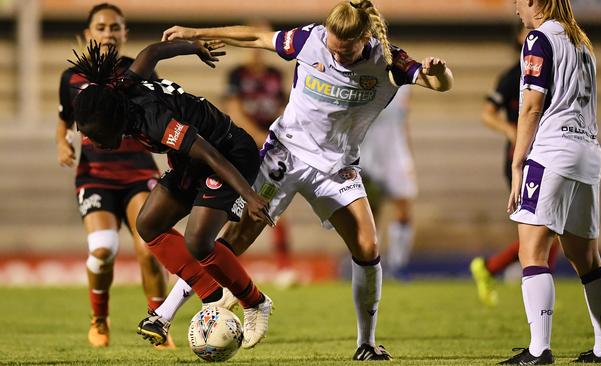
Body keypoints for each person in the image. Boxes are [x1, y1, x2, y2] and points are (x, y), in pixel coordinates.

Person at [161, 0, 453, 360]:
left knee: (368, 246)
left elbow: (439, 83)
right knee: (232, 240)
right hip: (285, 155)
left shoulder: (389, 60)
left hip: (337, 168)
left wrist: (439, 72)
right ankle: (166, 313)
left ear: (365, 38)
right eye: (333, 46)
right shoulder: (310, 39)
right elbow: (255, 36)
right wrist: (195, 31)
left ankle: (366, 343)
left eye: (347, 50)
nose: (338, 55)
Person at [68, 38, 274, 350]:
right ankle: (213, 294)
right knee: (148, 223)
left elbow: (208, 153)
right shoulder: (124, 86)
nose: (95, 143)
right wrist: (194, 46)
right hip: (190, 160)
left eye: (97, 136)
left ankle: (255, 301)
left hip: (228, 153)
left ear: (113, 121)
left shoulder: (152, 120)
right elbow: (150, 52)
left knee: (198, 241)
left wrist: (249, 194)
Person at [499, 0, 601, 364]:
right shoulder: (581, 41)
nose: (515, 6)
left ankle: (539, 350)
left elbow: (532, 106)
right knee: (586, 257)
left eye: (518, 0)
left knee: (531, 251)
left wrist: (519, 162)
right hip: (587, 151)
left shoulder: (538, 38)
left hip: (553, 150)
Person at [55, 3, 172, 348]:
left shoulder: (139, 72)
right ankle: (99, 319)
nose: (108, 33)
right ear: (88, 34)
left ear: (124, 34)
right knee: (103, 248)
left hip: (138, 173)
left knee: (151, 249)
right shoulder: (72, 77)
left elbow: (163, 114)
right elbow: (64, 121)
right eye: (101, 27)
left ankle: (158, 325)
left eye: (114, 28)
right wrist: (62, 142)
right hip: (96, 176)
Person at [469, 26, 559, 307]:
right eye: (527, 31)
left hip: (547, 156)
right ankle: (497, 271)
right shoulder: (512, 77)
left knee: (550, 230)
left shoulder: (552, 72)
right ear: (520, 40)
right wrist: (511, 131)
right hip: (519, 160)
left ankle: (497, 271)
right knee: (544, 230)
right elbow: (487, 113)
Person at [223, 26, 297, 287]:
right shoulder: (237, 75)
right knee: (231, 208)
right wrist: (259, 136)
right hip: (243, 147)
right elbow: (233, 110)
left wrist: (274, 137)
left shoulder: (275, 75)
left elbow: (283, 107)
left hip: (270, 148)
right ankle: (221, 266)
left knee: (273, 205)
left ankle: (284, 266)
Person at [359, 87, 417, 279]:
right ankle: (371, 266)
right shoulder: (364, 72)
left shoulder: (404, 83)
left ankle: (398, 265)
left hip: (396, 153)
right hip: (368, 154)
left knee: (404, 206)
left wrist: (409, 154)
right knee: (370, 214)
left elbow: (404, 119)